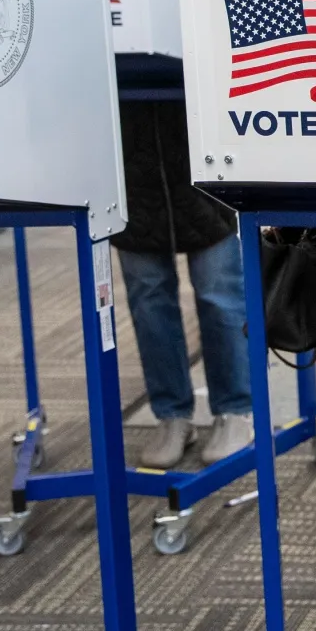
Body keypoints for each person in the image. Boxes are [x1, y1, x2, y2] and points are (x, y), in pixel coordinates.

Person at [114, 101, 252, 469]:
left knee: (219, 296)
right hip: (131, 170)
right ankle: (172, 415)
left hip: (205, 160)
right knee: (148, 302)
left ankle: (235, 411)